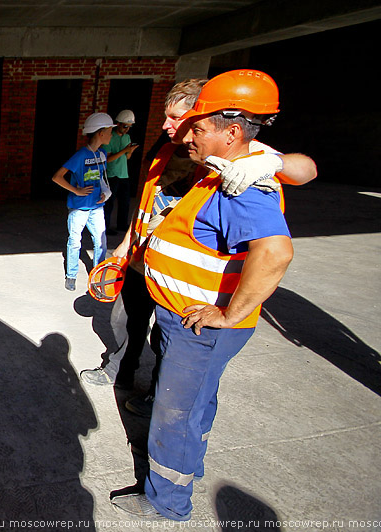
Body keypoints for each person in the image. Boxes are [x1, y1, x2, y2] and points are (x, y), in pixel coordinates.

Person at [110, 69, 309, 521]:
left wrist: (227, 312)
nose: (187, 134)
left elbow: (275, 252)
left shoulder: (244, 184)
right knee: (194, 401)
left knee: (174, 413)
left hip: (199, 325)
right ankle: (186, 467)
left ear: (232, 132)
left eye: (197, 127)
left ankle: (167, 501)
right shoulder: (225, 166)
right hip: (186, 318)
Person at [80, 79, 317, 415]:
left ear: (201, 117)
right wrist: (125, 247)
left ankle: (157, 395)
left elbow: (307, 169)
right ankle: (121, 370)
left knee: (169, 339)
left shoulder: (242, 155)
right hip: (141, 260)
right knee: (126, 319)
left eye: (176, 118)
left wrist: (273, 163)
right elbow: (146, 203)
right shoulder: (165, 150)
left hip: (184, 279)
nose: (166, 125)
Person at [52, 112, 112, 291]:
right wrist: (76, 190)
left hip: (97, 206)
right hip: (79, 208)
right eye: (109, 131)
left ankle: (98, 277)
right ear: (100, 133)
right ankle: (71, 275)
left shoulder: (102, 153)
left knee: (101, 242)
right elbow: (57, 177)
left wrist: (106, 192)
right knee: (75, 241)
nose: (111, 135)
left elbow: (101, 178)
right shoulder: (80, 156)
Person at [102, 110, 140, 234]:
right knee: (109, 203)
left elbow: (127, 157)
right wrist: (125, 150)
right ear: (118, 124)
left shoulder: (127, 137)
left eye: (129, 127)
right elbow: (107, 159)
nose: (127, 129)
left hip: (124, 173)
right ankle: (105, 227)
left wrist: (130, 151)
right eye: (125, 126)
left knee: (125, 202)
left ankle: (122, 224)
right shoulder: (109, 137)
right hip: (112, 174)